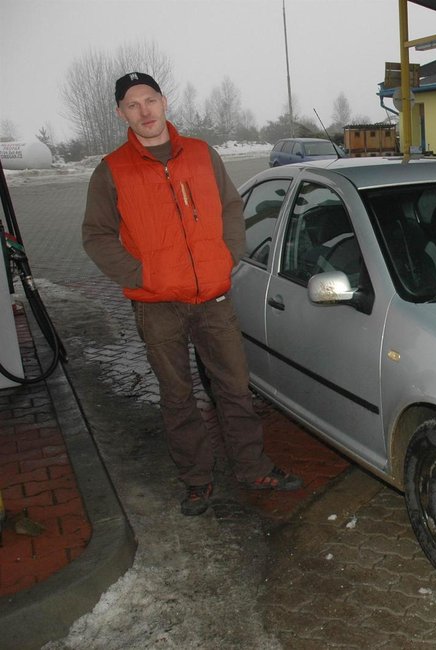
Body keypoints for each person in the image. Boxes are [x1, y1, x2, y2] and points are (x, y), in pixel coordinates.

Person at [83, 72, 301, 516]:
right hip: (157, 305)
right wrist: (142, 274)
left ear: (164, 102)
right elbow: (97, 235)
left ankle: (252, 467)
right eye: (132, 105)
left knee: (235, 388)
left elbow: (231, 206)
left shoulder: (202, 154)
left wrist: (229, 254)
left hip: (214, 298)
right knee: (177, 396)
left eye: (150, 100)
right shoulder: (112, 170)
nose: (144, 111)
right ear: (120, 112)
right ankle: (197, 480)